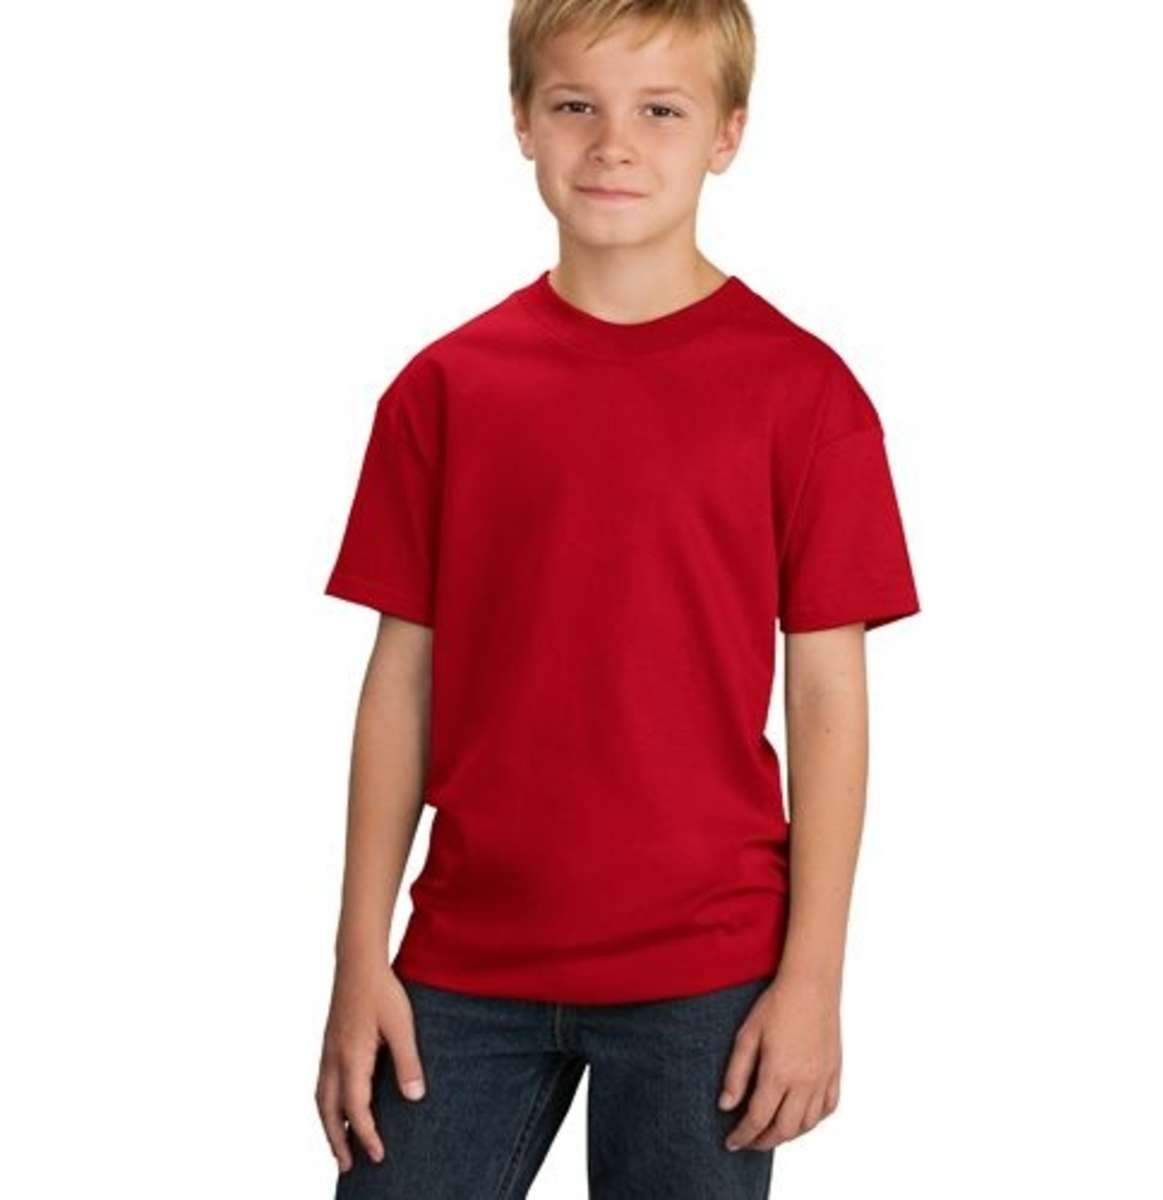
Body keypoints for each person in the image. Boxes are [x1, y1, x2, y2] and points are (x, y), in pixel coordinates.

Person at [315, 1, 920, 1195]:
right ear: (522, 122)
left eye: (661, 111)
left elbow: (829, 703)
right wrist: (355, 955)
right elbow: (401, 685)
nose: (613, 145)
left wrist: (813, 979)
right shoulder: (444, 390)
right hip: (464, 960)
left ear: (728, 133)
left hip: (706, 969)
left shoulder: (806, 395)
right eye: (575, 106)